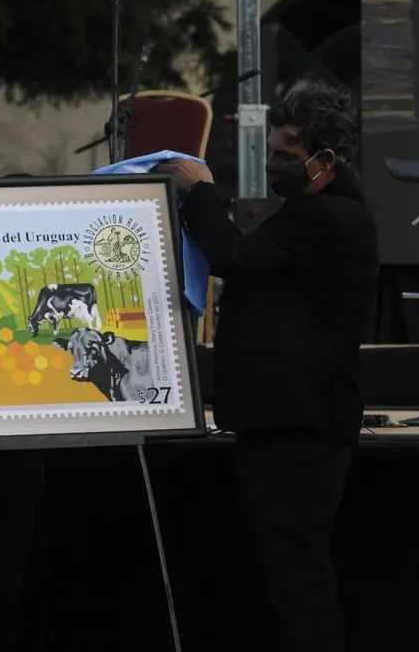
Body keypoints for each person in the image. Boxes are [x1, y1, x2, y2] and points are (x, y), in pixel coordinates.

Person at [158, 83, 378, 652]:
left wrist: (201, 193)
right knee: (281, 567)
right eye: (272, 151)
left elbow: (235, 256)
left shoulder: (329, 218)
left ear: (324, 158)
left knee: (297, 571)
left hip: (303, 423)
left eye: (286, 154)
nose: (274, 163)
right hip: (284, 418)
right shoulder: (311, 209)